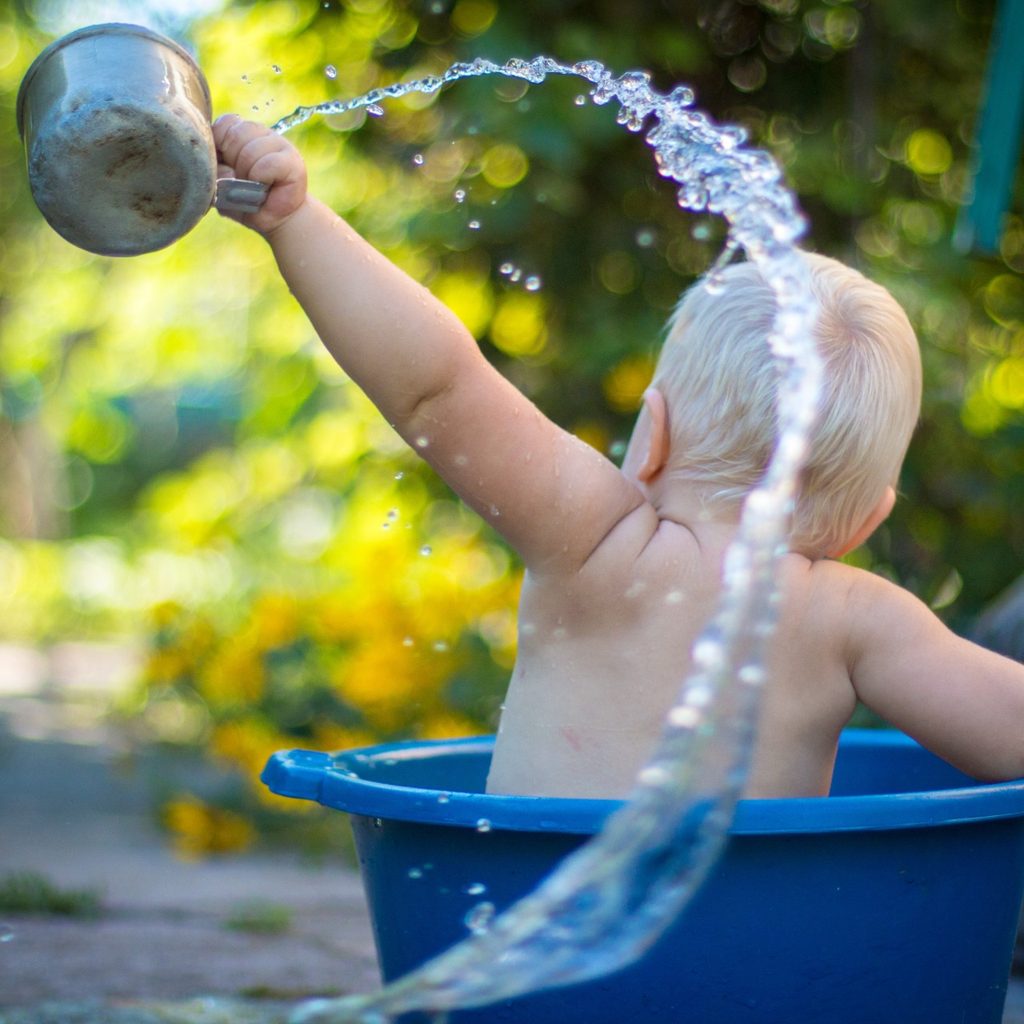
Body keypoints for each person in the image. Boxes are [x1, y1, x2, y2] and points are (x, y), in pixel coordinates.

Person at [212, 114, 1024, 800]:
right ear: (870, 517)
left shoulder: (597, 542)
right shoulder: (859, 621)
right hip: (757, 971)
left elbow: (438, 390)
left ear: (652, 435)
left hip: (537, 952)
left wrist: (296, 221)